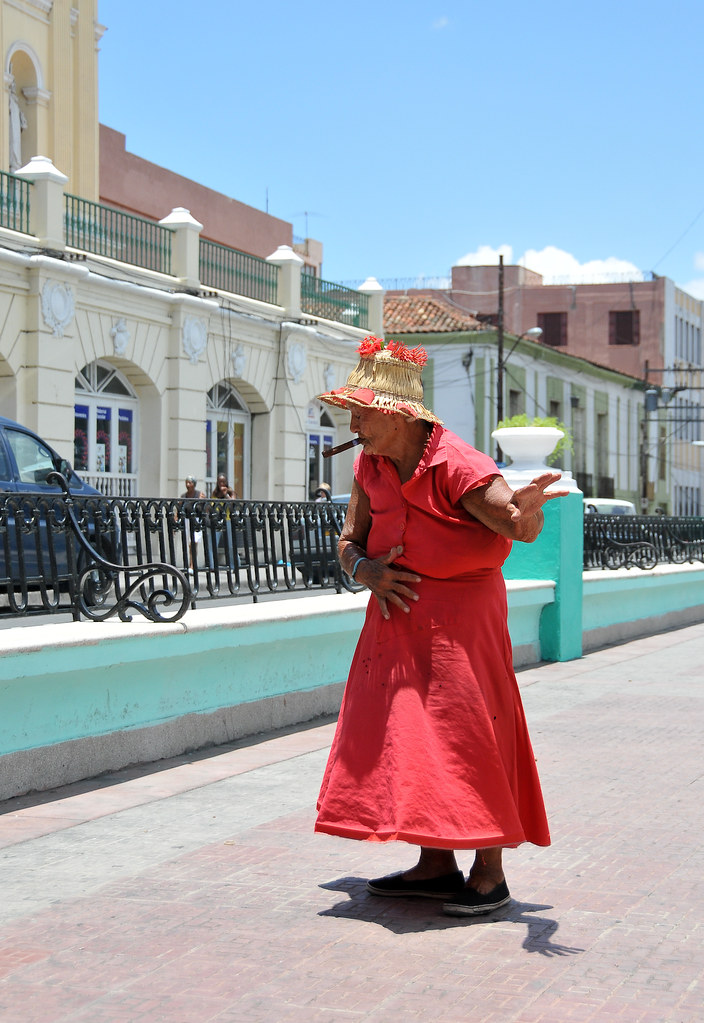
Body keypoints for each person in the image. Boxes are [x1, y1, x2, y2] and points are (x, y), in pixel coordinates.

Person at [314, 335, 568, 917]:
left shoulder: (456, 461)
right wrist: (368, 571)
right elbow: (347, 543)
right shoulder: (368, 463)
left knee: (468, 731)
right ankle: (435, 864)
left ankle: (491, 873)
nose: (351, 418)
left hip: (462, 621)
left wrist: (525, 516)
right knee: (413, 740)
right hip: (396, 619)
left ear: (399, 414)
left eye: (361, 409)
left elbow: (511, 522)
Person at [180, 475, 205, 571]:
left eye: (190, 483)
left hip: (196, 521)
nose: (187, 485)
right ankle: (190, 563)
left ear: (194, 484)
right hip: (187, 521)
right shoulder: (183, 496)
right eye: (186, 482)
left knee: (193, 543)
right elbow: (179, 509)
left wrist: (203, 501)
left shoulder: (199, 495)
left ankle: (192, 565)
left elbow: (205, 508)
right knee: (190, 543)